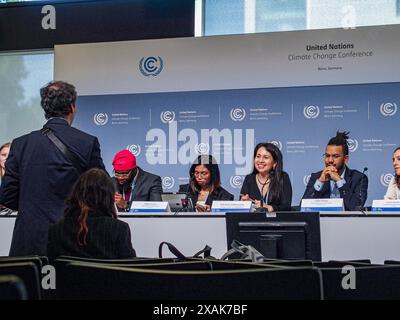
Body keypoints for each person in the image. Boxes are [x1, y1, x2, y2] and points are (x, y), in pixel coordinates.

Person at [0, 81, 105, 256]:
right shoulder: (87, 142)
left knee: (29, 283)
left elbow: (7, 197)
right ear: (72, 107)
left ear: (45, 109)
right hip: (74, 239)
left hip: (29, 240)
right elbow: (100, 194)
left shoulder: (20, 144)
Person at [47, 168, 136, 260]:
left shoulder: (56, 230)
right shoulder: (119, 229)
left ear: (76, 194)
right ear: (108, 197)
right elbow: (129, 268)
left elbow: (51, 267)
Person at [302, 131, 368, 211]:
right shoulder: (317, 177)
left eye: (335, 156)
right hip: (322, 222)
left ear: (345, 159)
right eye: (327, 156)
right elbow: (303, 208)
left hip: (348, 222)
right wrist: (320, 182)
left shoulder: (359, 178)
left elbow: (356, 207)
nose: (330, 160)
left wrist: (339, 181)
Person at [240, 143, 292, 212]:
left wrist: (269, 207)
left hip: (276, 221)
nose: (260, 161)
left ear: (275, 163)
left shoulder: (283, 177)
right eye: (258, 156)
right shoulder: (249, 179)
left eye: (266, 157)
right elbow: (241, 206)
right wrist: (244, 203)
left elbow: (286, 206)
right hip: (253, 221)